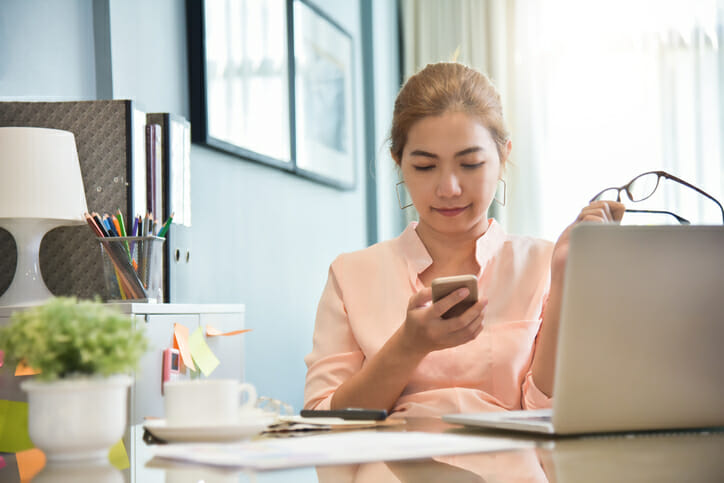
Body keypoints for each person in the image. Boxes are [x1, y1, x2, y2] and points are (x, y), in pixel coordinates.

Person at [304, 62, 624, 417]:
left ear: (503, 157)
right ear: (399, 162)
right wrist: (408, 347)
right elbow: (323, 419)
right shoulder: (352, 275)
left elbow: (548, 412)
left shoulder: (544, 265)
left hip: (511, 469)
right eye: (425, 167)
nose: (448, 188)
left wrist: (566, 277)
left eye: (470, 164)